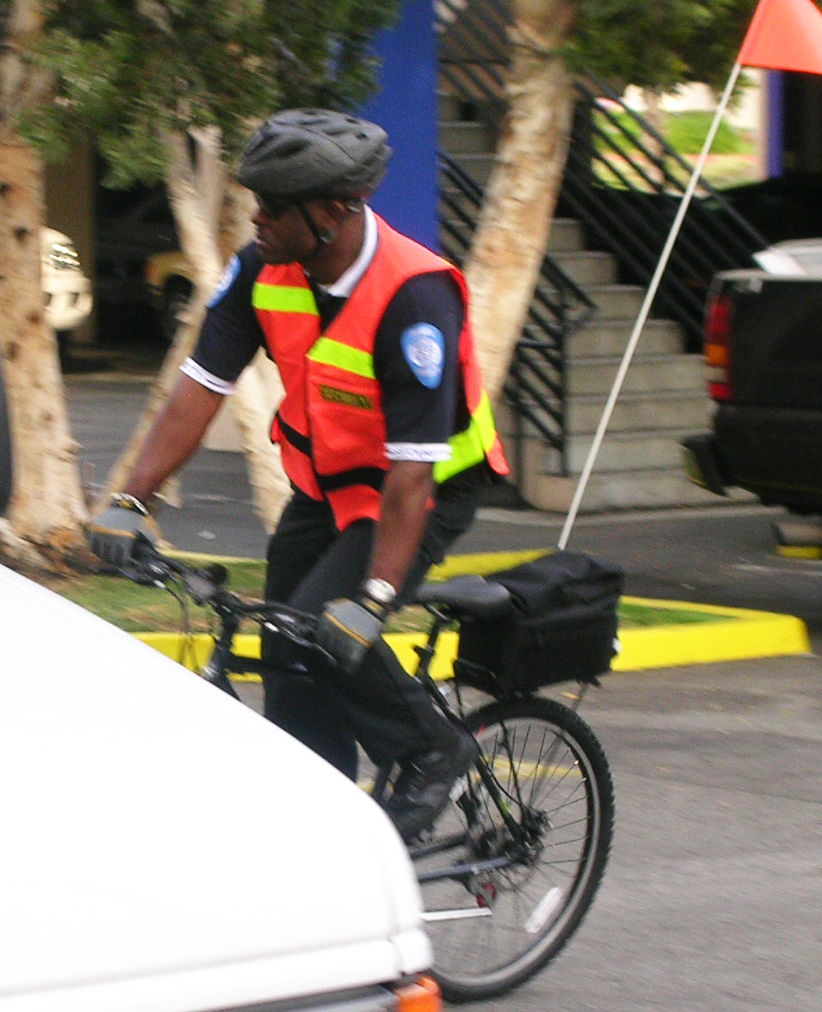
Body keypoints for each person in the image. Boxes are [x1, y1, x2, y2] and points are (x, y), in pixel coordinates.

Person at [89, 108, 510, 843]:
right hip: (331, 484)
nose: (257, 217)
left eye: (274, 206)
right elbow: (197, 390)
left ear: (334, 210)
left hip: (426, 488)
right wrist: (131, 500)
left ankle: (430, 751)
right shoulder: (260, 268)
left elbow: (413, 473)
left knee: (326, 625)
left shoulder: (414, 296)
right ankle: (324, 818)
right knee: (284, 643)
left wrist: (374, 600)